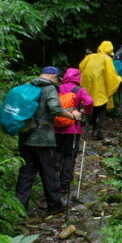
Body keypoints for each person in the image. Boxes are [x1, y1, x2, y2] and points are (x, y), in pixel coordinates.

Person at [15, 67, 83, 214]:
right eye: (58, 78)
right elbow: (54, 108)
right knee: (49, 172)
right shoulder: (49, 88)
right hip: (43, 139)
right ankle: (54, 205)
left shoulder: (29, 86)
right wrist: (73, 116)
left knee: (26, 172)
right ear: (54, 76)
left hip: (25, 136)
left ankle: (20, 207)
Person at [53, 67, 93, 200]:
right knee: (70, 156)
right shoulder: (79, 90)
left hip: (56, 127)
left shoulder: (57, 88)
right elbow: (89, 102)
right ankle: (64, 185)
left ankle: (53, 184)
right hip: (73, 129)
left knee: (57, 154)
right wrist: (85, 112)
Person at [78, 41, 122, 139]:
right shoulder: (107, 59)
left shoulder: (89, 57)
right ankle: (97, 131)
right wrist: (119, 79)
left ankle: (87, 129)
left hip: (87, 87)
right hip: (100, 88)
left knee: (91, 107)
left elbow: (81, 68)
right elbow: (111, 75)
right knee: (101, 109)